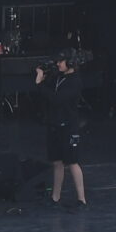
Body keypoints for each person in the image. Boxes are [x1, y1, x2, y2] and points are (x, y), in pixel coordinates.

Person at [37, 51, 88, 209]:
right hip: (55, 124)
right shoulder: (59, 77)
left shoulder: (75, 81)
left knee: (72, 161)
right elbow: (50, 93)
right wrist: (43, 79)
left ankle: (82, 199)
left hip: (69, 126)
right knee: (57, 162)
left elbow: (57, 99)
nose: (58, 64)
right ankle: (55, 196)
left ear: (70, 63)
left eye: (61, 62)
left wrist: (39, 84)